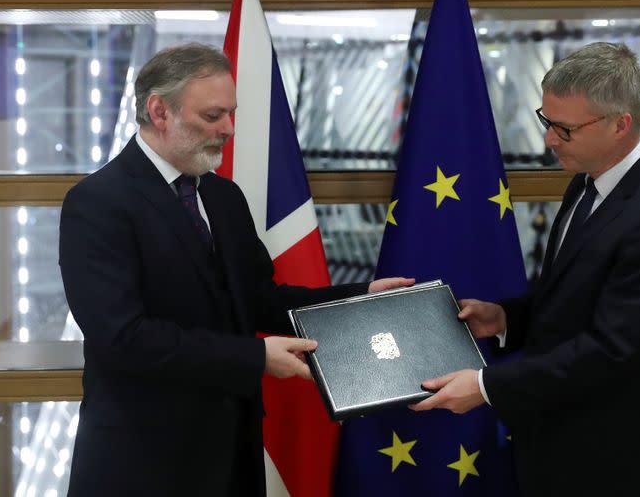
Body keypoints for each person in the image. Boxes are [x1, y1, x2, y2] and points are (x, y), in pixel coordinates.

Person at [59, 43, 411, 497]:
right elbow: (124, 338)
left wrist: (359, 297)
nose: (229, 129)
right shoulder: (96, 204)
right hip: (142, 461)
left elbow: (260, 301)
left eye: (232, 113)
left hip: (233, 452)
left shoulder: (225, 197)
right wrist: (256, 358)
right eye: (212, 116)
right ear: (159, 111)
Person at [410, 42, 640, 497]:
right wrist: (509, 318)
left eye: (564, 129)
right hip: (559, 444)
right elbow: (572, 293)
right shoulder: (587, 183)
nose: (549, 140)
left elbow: (613, 349)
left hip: (616, 461)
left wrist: (487, 385)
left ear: (620, 125)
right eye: (546, 121)